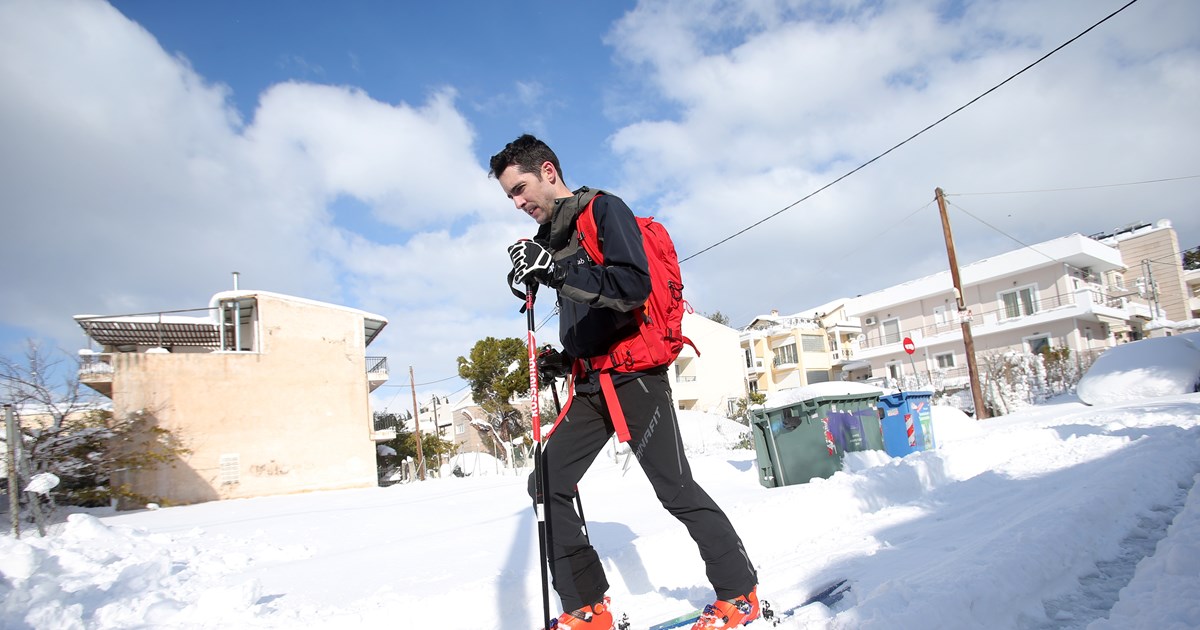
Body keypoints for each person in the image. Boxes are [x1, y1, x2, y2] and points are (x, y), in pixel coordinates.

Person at [490, 134, 759, 630]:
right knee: (547, 481)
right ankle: (587, 607)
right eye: (510, 196)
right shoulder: (552, 238)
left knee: (676, 489)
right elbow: (594, 317)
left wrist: (556, 272)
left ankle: (739, 593)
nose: (518, 202)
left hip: (636, 378)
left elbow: (632, 288)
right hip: (591, 383)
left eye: (520, 189)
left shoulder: (603, 210)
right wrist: (563, 357)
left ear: (548, 171)